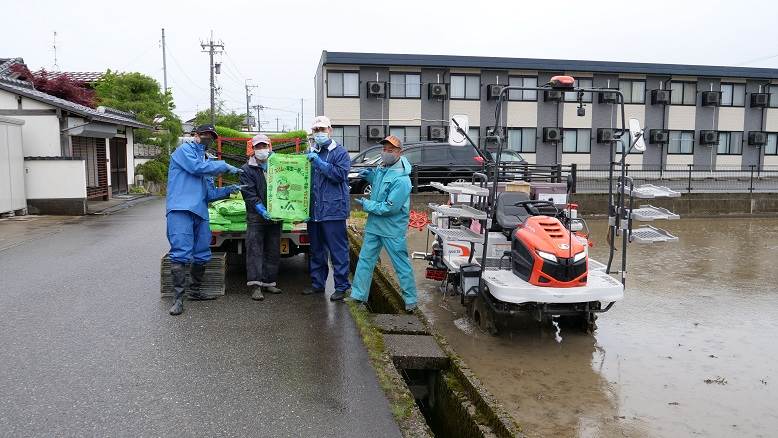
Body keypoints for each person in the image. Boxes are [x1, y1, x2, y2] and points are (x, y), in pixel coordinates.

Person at [166, 124, 243, 316]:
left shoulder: (206, 160)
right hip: (180, 209)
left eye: (211, 136)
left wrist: (229, 189)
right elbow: (196, 168)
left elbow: (209, 194)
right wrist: (224, 166)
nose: (207, 138)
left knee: (201, 253)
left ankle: (195, 291)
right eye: (204, 134)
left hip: (200, 212)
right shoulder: (185, 151)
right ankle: (177, 299)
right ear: (195, 135)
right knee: (181, 252)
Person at [349, 135, 417, 312]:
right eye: (384, 149)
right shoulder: (382, 167)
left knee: (400, 264)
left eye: (391, 150)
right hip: (374, 226)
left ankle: (410, 300)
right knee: (365, 260)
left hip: (392, 228)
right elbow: (381, 186)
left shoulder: (402, 179)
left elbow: (390, 208)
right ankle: (358, 295)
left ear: (399, 153)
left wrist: (367, 204)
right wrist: (371, 177)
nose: (386, 153)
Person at [304, 116, 352, 301]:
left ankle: (341, 286)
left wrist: (319, 163)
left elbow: (340, 174)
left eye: (322, 129)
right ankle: (317, 284)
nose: (319, 133)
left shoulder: (339, 152)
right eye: (316, 130)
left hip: (333, 210)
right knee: (316, 250)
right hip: (314, 211)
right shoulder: (310, 151)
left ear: (330, 130)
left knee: (338, 250)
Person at [240, 134, 282, 301]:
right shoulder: (247, 169)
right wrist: (261, 209)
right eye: (258, 147)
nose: (261, 149)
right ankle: (256, 286)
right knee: (255, 251)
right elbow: (249, 194)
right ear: (253, 149)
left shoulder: (278, 165)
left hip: (277, 215)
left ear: (269, 147)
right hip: (256, 217)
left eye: (264, 146)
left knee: (273, 249)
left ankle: (269, 283)